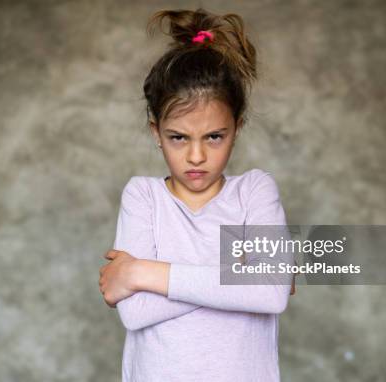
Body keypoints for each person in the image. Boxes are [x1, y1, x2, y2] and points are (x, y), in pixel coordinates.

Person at [98, 8, 296, 382]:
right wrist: (241, 277)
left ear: (237, 128)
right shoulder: (143, 197)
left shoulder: (254, 191)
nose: (196, 156)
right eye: (178, 137)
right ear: (156, 132)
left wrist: (142, 271)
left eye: (214, 137)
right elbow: (135, 311)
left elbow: (270, 293)